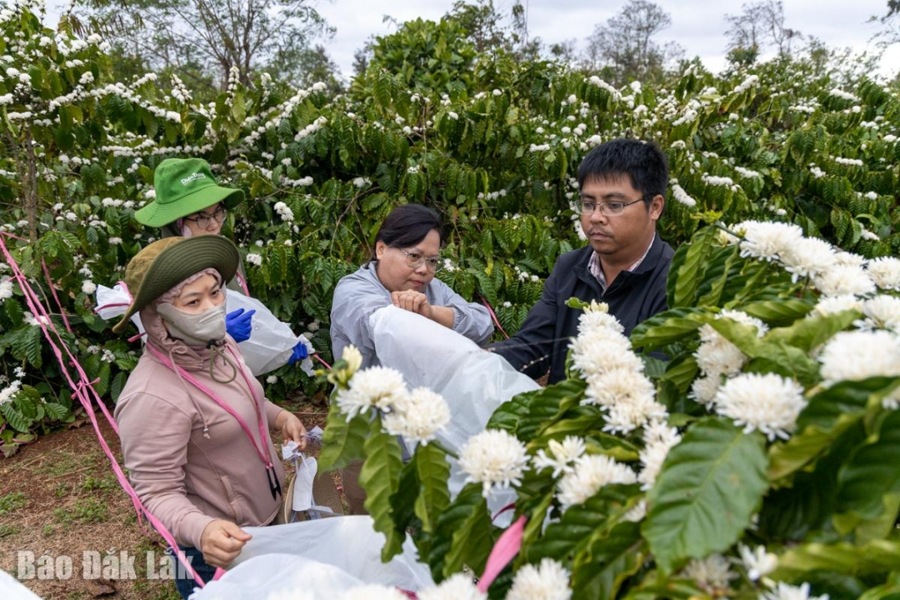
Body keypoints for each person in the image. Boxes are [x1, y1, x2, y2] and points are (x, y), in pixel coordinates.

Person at [111, 236, 308, 599]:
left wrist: (280, 417)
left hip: (268, 521)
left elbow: (239, 399)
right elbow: (155, 492)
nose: (213, 307)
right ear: (157, 316)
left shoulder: (221, 346)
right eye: (193, 301)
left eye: (215, 292)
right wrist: (202, 530)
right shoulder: (151, 396)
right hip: (218, 551)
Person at [492, 138, 675, 384]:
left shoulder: (675, 282)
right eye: (588, 204)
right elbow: (532, 348)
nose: (596, 217)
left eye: (614, 205)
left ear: (654, 207)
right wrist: (472, 360)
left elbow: (659, 377)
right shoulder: (569, 268)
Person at [134, 157, 308, 368]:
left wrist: (275, 348)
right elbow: (159, 343)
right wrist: (210, 337)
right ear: (176, 222)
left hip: (238, 379)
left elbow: (245, 310)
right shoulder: (159, 270)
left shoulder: (224, 253)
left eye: (218, 212)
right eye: (201, 217)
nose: (214, 224)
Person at [330, 203, 494, 369]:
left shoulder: (433, 287)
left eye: (432, 261)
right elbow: (384, 329)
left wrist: (433, 313)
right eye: (414, 256)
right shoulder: (352, 290)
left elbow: (483, 323)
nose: (424, 269)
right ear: (381, 250)